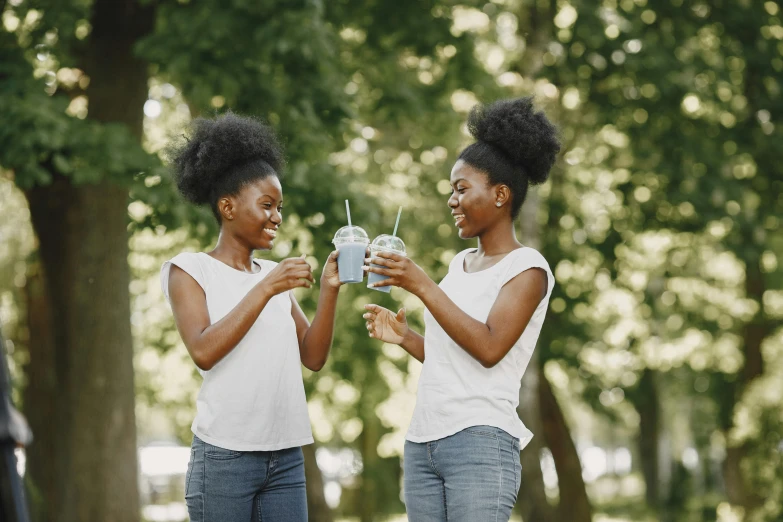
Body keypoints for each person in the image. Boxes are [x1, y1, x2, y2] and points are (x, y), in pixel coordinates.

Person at [362, 97, 560, 521]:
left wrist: (421, 284)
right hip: (423, 441)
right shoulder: (460, 266)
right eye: (451, 190)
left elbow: (489, 349)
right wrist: (406, 338)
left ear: (500, 195)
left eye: (462, 189)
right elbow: (453, 357)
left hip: (480, 442)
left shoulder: (527, 269)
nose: (451, 200)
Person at [161, 113, 343, 521]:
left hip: (286, 458)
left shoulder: (271, 277)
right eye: (267, 205)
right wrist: (266, 287)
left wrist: (329, 290)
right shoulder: (189, 270)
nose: (277, 216)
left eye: (279, 207)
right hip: (225, 458)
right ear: (227, 206)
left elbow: (313, 357)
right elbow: (204, 351)